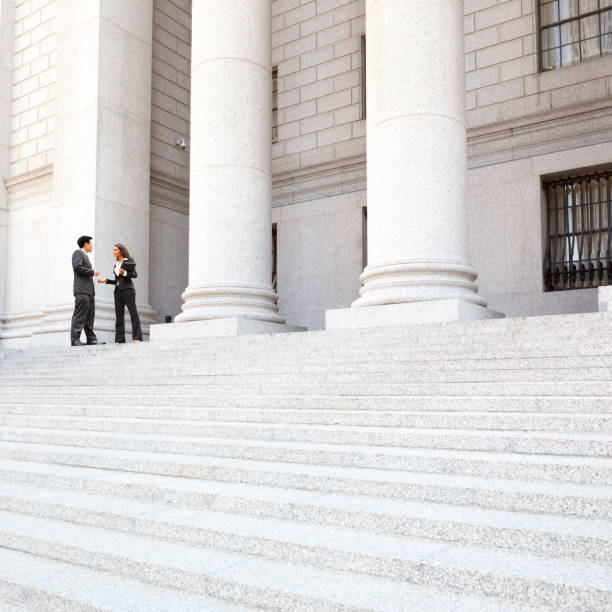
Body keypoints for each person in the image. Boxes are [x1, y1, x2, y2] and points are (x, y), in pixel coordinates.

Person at [98, 243, 143, 343]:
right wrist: (106, 281)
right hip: (118, 291)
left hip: (128, 290)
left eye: (115, 250)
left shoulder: (129, 260)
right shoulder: (116, 264)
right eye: (113, 250)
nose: (114, 252)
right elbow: (117, 281)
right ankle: (119, 339)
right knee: (119, 315)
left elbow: (135, 275)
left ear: (121, 251)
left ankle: (137, 337)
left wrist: (125, 273)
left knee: (133, 313)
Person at [71, 236, 103, 346]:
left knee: (89, 317)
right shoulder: (78, 253)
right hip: (82, 291)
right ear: (86, 244)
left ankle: (91, 339)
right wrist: (92, 272)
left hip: (89, 292)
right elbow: (77, 267)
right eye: (91, 244)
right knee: (80, 316)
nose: (92, 246)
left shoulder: (86, 256)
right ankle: (75, 340)